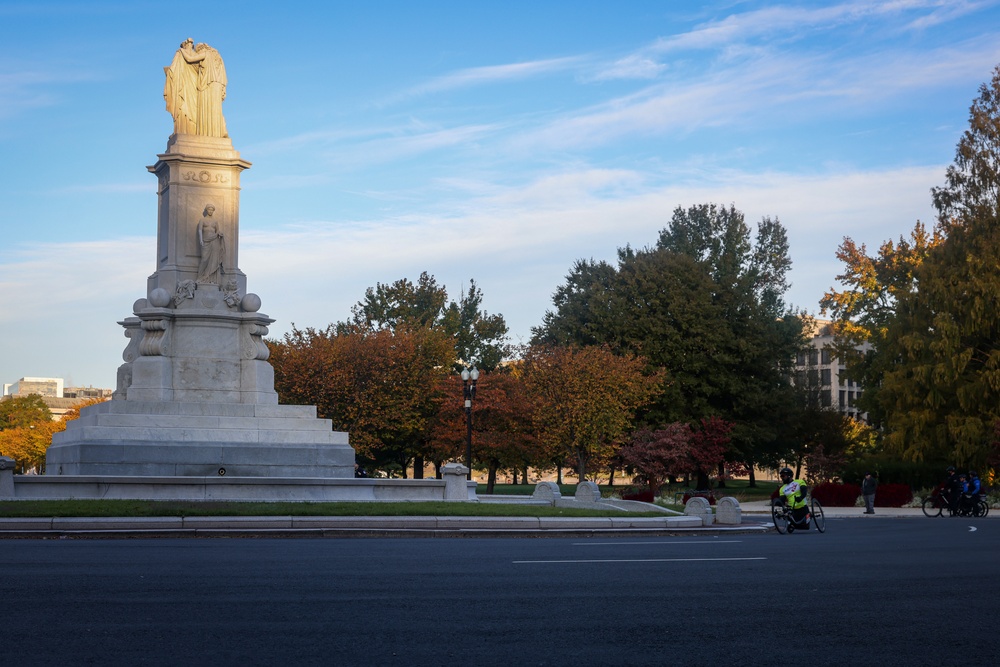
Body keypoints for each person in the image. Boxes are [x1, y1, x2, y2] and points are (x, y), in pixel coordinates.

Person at [163, 38, 199, 135]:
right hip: (183, 83)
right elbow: (173, 69)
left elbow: (172, 70)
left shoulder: (180, 53)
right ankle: (182, 129)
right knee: (183, 106)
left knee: (189, 106)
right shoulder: (182, 54)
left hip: (190, 83)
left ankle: (189, 130)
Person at [196, 205, 225, 283]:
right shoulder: (202, 220)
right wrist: (201, 240)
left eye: (212, 210)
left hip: (214, 241)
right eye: (209, 210)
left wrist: (220, 234)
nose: (210, 211)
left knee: (214, 260)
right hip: (205, 241)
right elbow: (200, 230)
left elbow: (217, 231)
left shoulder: (215, 221)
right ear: (206, 210)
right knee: (204, 259)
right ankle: (200, 277)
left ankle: (210, 277)